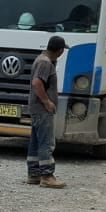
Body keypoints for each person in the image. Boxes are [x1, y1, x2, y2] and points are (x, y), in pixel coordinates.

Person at [26, 35, 66, 188]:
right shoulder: (45, 63)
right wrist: (47, 102)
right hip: (42, 109)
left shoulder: (40, 59)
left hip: (36, 108)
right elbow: (37, 83)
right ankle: (47, 176)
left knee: (36, 141)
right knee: (46, 142)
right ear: (60, 50)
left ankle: (34, 173)